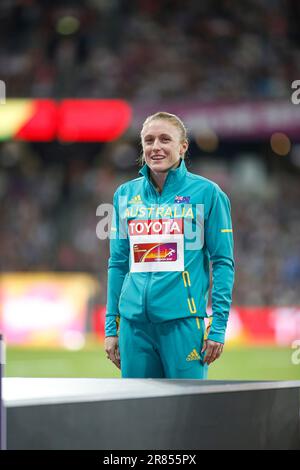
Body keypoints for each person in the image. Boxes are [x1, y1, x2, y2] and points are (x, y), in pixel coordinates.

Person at [105, 111, 234, 378]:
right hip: (133, 328)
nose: (156, 147)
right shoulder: (124, 195)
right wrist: (111, 327)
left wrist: (218, 326)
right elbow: (118, 264)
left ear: (183, 146)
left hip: (184, 325)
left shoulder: (208, 193)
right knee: (137, 415)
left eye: (165, 139)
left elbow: (222, 262)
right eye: (149, 140)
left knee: (189, 415)